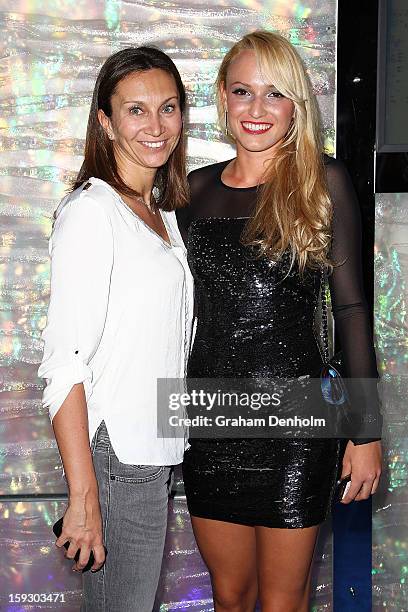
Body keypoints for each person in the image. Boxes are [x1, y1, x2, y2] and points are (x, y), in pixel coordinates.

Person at [176, 30, 382, 612]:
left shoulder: (324, 180)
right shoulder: (192, 192)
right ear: (222, 98)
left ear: (296, 104)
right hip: (211, 418)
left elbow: (350, 310)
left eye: (275, 94)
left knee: (283, 601)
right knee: (230, 596)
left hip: (298, 422)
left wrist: (365, 432)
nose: (257, 110)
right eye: (243, 92)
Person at [38, 46, 193, 612]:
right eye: (135, 110)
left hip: (154, 450)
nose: (156, 126)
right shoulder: (91, 212)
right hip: (115, 455)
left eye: (168, 108)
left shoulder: (160, 213)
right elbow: (64, 364)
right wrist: (83, 497)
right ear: (105, 121)